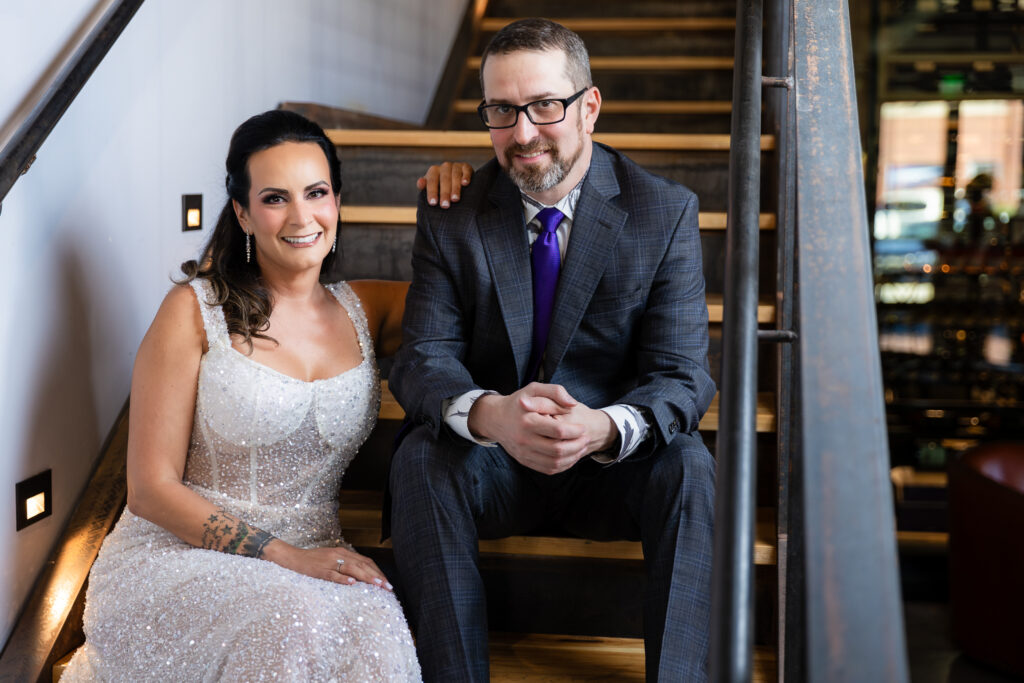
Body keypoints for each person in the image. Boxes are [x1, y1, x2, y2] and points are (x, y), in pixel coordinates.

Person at [388, 18, 716, 683]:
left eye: (545, 105)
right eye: (502, 111)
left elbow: (681, 376)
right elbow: (424, 355)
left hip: (609, 470)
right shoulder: (452, 210)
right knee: (421, 454)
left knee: (690, 464)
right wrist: (490, 415)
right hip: (496, 464)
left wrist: (602, 427)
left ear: (588, 107)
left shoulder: (664, 211)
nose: (524, 131)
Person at [63, 110, 421, 681]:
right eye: (276, 197)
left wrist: (466, 188)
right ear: (242, 213)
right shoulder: (194, 310)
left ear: (336, 202)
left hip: (315, 552)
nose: (302, 216)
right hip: (176, 557)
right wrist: (286, 556)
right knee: (288, 617)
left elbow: (479, 293)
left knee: (376, 628)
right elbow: (150, 490)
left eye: (317, 192)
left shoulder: (367, 308)